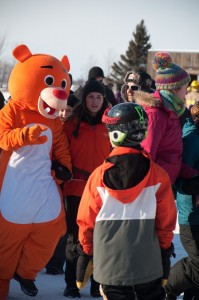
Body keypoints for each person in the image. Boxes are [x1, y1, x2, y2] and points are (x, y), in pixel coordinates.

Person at [75, 102, 177, 300]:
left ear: (116, 135)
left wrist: (86, 253)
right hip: (148, 263)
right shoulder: (158, 175)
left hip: (110, 265)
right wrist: (164, 252)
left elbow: (86, 220)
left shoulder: (98, 176)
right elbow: (166, 221)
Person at [63, 79, 111, 298]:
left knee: (100, 238)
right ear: (84, 99)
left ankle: (96, 282)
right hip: (75, 188)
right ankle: (72, 283)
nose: (94, 101)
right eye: (91, 96)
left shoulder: (110, 124)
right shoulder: (71, 123)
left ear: (104, 100)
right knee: (76, 237)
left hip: (102, 189)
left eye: (99, 97)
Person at [132, 52, 198, 186]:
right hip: (153, 189)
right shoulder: (156, 115)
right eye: (185, 89)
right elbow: (146, 157)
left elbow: (170, 157)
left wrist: (192, 174)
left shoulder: (170, 112)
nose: (186, 93)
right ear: (174, 90)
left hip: (164, 185)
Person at [165, 102, 199, 300]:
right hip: (192, 216)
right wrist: (194, 186)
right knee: (197, 264)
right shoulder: (192, 139)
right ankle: (167, 289)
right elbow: (178, 177)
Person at [45, 93, 80, 276]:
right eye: (62, 110)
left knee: (65, 225)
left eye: (69, 110)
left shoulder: (76, 127)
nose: (65, 114)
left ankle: (57, 262)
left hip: (71, 180)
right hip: (53, 178)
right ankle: (49, 260)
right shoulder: (52, 126)